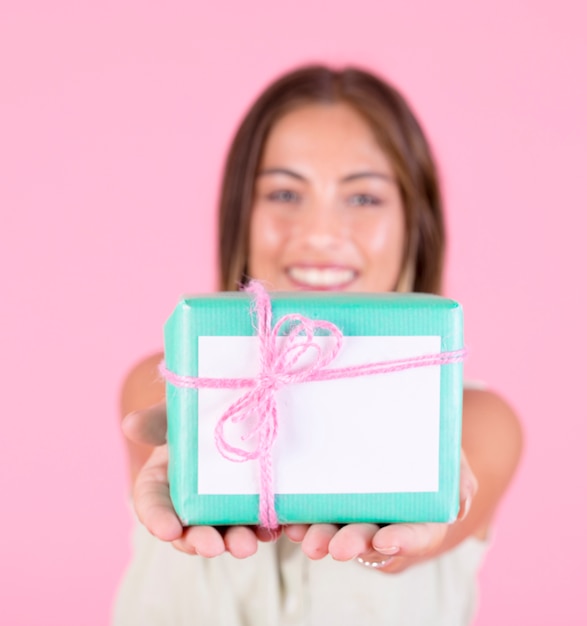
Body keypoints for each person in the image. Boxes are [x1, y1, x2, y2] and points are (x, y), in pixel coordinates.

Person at [114, 65, 523, 625]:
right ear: (241, 214)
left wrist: (409, 531)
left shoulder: (479, 423)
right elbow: (203, 498)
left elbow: (420, 541)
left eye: (363, 198)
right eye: (285, 192)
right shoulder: (173, 382)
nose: (321, 233)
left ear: (415, 224)